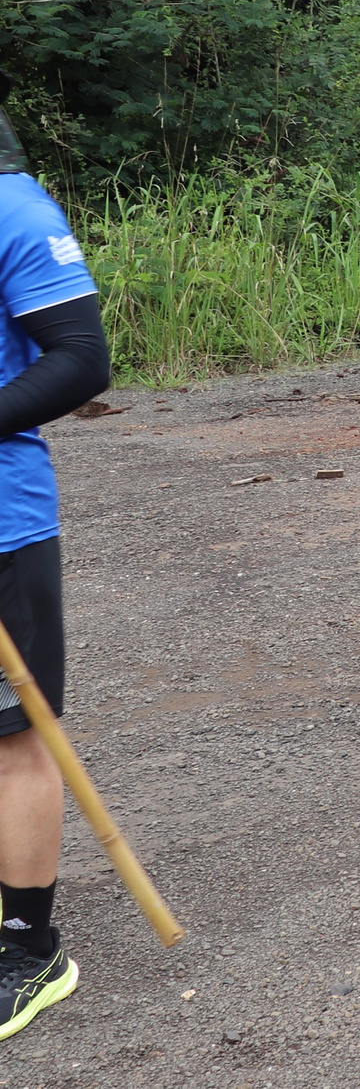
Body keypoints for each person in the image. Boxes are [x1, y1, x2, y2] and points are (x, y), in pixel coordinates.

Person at [0, 93, 113, 1042]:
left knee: (11, 737)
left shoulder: (15, 207)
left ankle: (28, 950)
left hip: (2, 526)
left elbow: (80, 358)